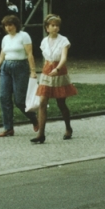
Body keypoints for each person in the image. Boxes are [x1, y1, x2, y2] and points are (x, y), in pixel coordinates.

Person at [0, 15, 38, 137]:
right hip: (6, 68)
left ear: (16, 25)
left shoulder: (24, 36)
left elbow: (30, 54)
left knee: (20, 100)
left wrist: (33, 71)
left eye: (10, 25)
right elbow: (1, 56)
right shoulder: (5, 38)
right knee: (3, 97)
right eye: (5, 25)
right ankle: (8, 128)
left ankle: (34, 119)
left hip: (20, 67)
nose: (8, 28)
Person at [31, 14, 78, 144]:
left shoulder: (64, 40)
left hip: (59, 71)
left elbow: (63, 58)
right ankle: (41, 134)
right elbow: (46, 58)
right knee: (42, 102)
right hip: (47, 72)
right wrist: (46, 69)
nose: (55, 28)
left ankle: (68, 128)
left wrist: (57, 69)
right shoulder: (44, 41)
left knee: (61, 103)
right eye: (52, 25)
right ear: (47, 28)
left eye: (57, 25)